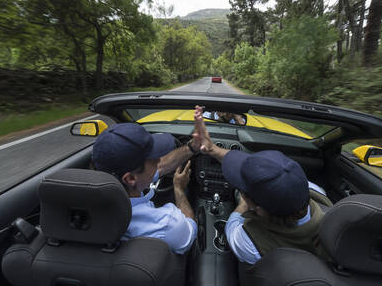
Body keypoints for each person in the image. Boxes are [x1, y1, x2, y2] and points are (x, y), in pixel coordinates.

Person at [193, 105, 331, 264]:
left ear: (258, 209)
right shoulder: (316, 192)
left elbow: (233, 224)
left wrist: (242, 205)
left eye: (243, 191)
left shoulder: (250, 244)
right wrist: (212, 149)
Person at [92, 120, 201, 255]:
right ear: (130, 179)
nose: (159, 159)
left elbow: (160, 167)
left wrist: (192, 147)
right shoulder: (166, 223)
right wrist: (179, 189)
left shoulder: (81, 201)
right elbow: (190, 231)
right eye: (153, 158)